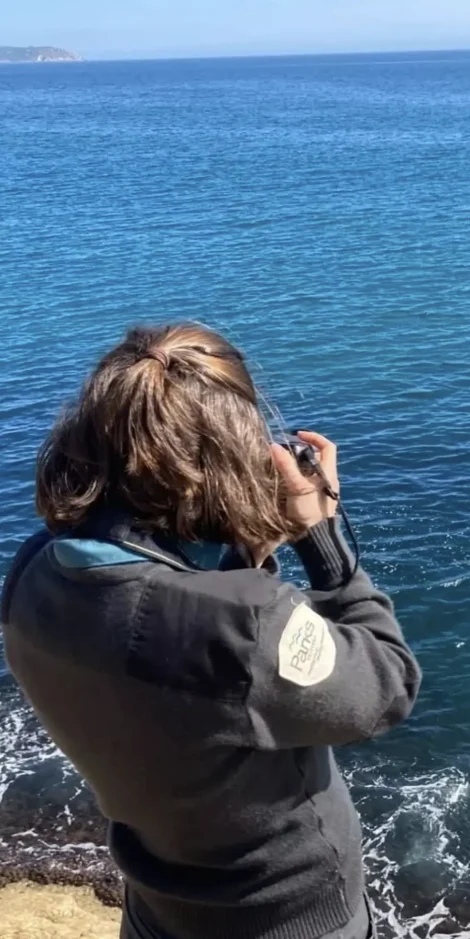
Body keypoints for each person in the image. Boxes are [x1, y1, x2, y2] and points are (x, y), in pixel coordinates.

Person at [0, 324, 421, 939]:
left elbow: (171, 649)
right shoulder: (242, 620)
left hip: (157, 905)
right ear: (230, 452)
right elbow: (385, 686)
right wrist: (321, 537)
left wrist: (242, 553)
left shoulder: (35, 572)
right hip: (288, 919)